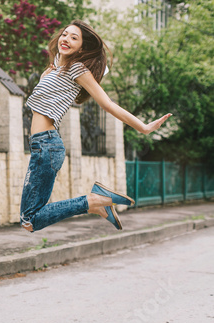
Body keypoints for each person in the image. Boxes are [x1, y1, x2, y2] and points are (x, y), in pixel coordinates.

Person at [20, 20, 172, 233]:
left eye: (74, 38)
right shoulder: (55, 67)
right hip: (41, 146)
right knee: (29, 218)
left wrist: (144, 127)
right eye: (65, 34)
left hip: (47, 146)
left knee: (30, 220)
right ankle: (97, 205)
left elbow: (107, 103)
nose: (66, 40)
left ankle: (94, 200)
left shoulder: (77, 68)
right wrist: (47, 74)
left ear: (81, 48)